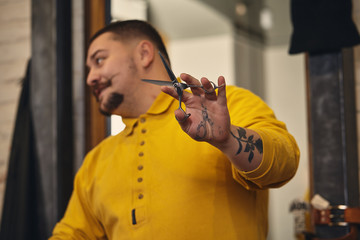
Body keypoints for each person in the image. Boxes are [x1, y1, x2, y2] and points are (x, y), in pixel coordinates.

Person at [50, 19, 299, 240]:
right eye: (89, 68)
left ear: (144, 54)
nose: (90, 77)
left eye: (100, 60)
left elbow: (285, 162)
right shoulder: (97, 161)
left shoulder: (227, 105)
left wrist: (228, 139)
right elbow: (72, 234)